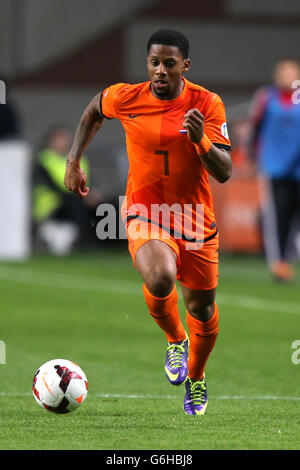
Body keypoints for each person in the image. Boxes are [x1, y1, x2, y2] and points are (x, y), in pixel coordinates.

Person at [64, 29, 232, 415]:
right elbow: (93, 110)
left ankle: (197, 376)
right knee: (159, 277)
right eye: (154, 62)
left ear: (184, 66)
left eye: (169, 64)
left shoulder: (207, 104)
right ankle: (175, 340)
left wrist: (201, 140)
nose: (159, 70)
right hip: (145, 211)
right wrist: (74, 159)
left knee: (203, 310)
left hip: (194, 218)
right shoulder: (125, 96)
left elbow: (224, 171)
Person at [248, 58, 300, 282]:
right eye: (283, 72)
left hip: (298, 167)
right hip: (275, 167)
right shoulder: (265, 97)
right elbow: (255, 129)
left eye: (292, 72)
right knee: (278, 215)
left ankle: (291, 256)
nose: (287, 76)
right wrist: (252, 156)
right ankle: (279, 264)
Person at [33, 124, 99, 253]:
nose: (63, 142)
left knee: (105, 203)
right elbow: (52, 187)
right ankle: (84, 242)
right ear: (50, 140)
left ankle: (111, 242)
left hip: (76, 201)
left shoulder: (79, 159)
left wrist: (93, 195)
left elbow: (87, 183)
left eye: (65, 138)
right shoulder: (43, 160)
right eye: (59, 138)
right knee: (75, 202)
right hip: (51, 207)